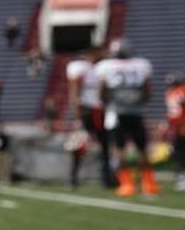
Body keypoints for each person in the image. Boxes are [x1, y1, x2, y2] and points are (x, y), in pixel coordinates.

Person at [94, 38, 160, 197]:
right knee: (142, 148)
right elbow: (147, 89)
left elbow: (103, 89)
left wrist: (106, 102)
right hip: (135, 111)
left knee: (118, 150)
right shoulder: (141, 65)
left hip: (116, 112)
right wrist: (139, 102)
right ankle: (149, 183)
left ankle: (127, 184)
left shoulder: (106, 66)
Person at [66, 43, 116, 189]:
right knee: (79, 146)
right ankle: (73, 178)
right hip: (87, 110)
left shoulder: (104, 67)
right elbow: (74, 92)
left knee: (105, 146)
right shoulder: (80, 67)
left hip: (100, 110)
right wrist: (77, 115)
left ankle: (106, 179)